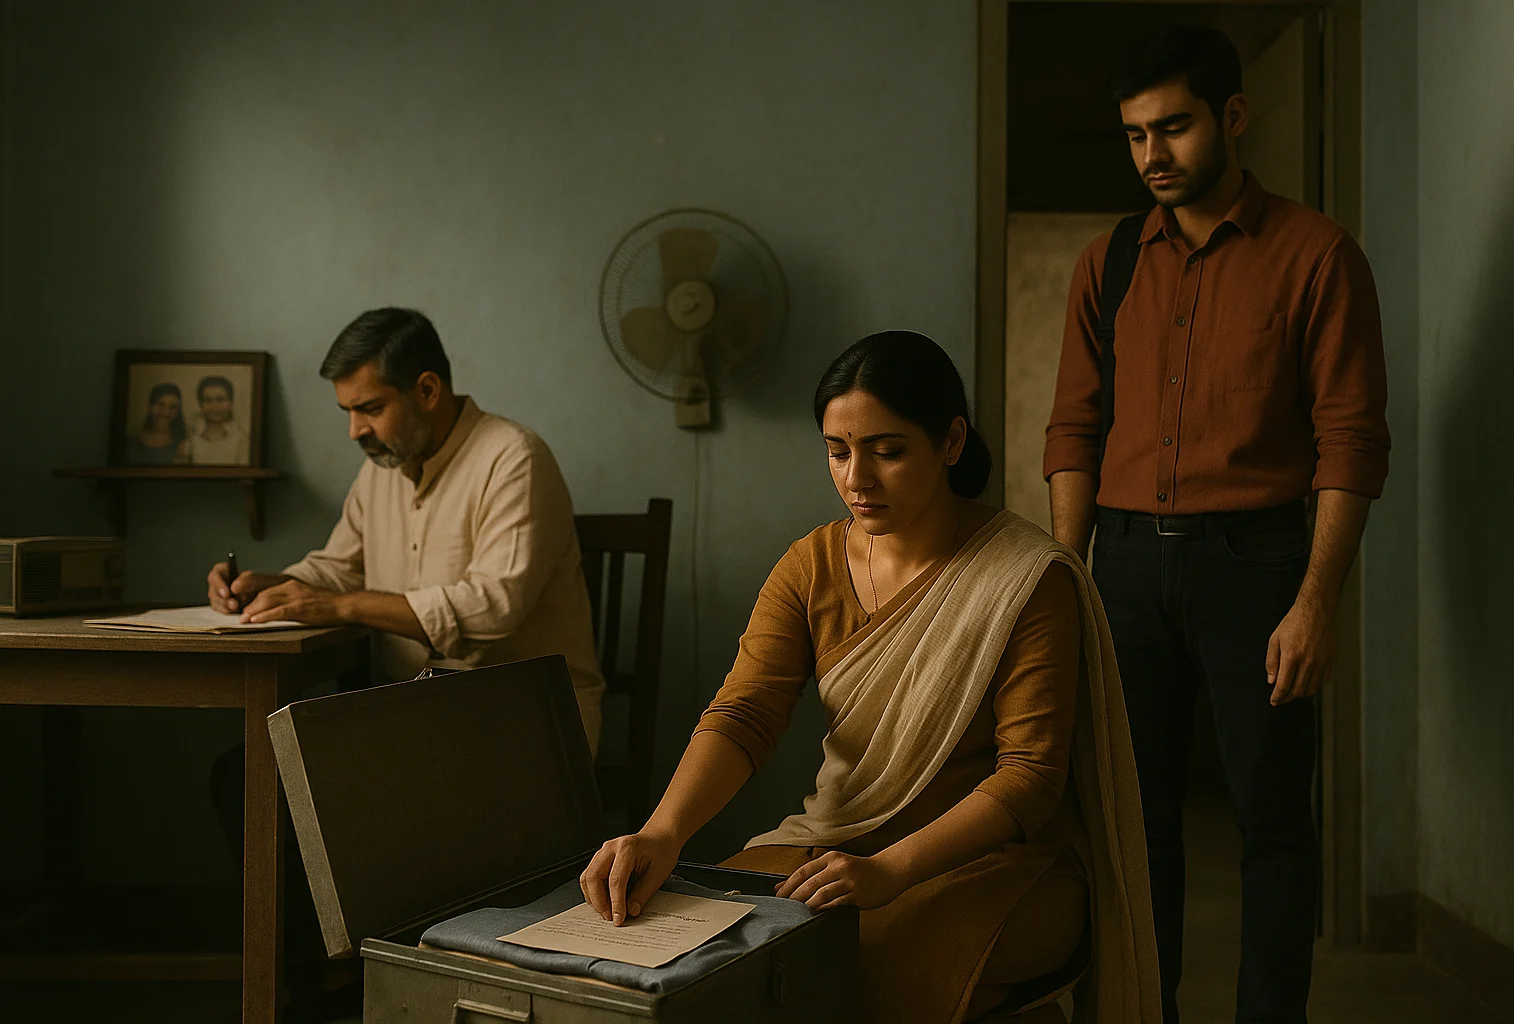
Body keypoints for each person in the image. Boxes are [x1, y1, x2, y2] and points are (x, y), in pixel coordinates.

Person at [582, 332, 1160, 1024]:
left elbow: (1029, 779)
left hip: (1001, 861)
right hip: (838, 837)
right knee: (715, 950)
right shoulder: (810, 565)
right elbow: (745, 712)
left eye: (887, 451)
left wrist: (890, 872)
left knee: (856, 953)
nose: (857, 477)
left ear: (950, 441)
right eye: (837, 450)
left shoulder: (1025, 579)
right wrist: (662, 832)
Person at [1044, 25, 1390, 1024]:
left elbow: (1350, 439)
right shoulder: (1105, 263)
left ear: (1233, 117)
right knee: (1130, 823)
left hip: (1261, 565)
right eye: (1135, 135)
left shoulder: (1316, 254)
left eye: (1175, 127)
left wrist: (1316, 601)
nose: (1154, 153)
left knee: (1272, 821)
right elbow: (1074, 428)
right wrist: (1069, 578)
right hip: (1123, 569)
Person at [205, 307, 603, 747]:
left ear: (428, 390)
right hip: (409, 712)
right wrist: (272, 586)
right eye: (348, 411)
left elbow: (493, 607)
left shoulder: (514, 459)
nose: (355, 431)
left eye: (370, 408)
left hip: (521, 718)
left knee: (294, 785)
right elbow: (340, 569)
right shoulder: (382, 467)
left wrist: (343, 607)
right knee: (247, 771)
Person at [180, 374, 250, 465]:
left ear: (230, 404)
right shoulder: (192, 441)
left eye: (220, 400)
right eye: (208, 401)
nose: (214, 406)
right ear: (201, 405)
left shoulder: (241, 441)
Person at [126, 382, 186, 465]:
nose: (165, 413)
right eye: (160, 404)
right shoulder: (131, 443)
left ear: (177, 412)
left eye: (172, 407)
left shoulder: (183, 446)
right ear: (150, 406)